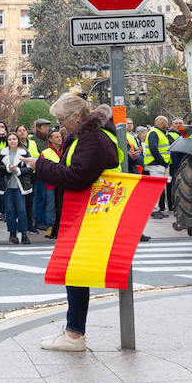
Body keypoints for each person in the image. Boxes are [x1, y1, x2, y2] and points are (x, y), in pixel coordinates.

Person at [31, 90, 121, 351]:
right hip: (86, 212)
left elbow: (77, 177)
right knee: (75, 272)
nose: (60, 125)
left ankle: (74, 335)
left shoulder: (92, 139)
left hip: (89, 214)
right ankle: (73, 331)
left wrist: (40, 166)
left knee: (76, 272)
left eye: (62, 119)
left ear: (78, 115)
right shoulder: (88, 136)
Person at [0, 132, 33, 244]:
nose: (12, 141)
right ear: (7, 141)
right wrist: (8, 168)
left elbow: (30, 168)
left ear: (18, 140)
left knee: (22, 210)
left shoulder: (25, 152)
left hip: (20, 186)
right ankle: (12, 233)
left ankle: (24, 234)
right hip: (7, 186)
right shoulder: (2, 153)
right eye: (10, 139)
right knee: (9, 210)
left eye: (14, 139)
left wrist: (18, 171)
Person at [145, 116, 172, 218]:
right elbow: (153, 148)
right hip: (156, 164)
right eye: (167, 123)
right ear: (162, 123)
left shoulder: (159, 133)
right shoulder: (154, 132)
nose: (168, 125)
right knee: (155, 189)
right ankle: (154, 210)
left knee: (159, 189)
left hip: (159, 165)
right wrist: (162, 161)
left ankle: (158, 210)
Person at [30, 119, 53, 230]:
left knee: (45, 198)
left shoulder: (48, 140)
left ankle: (43, 220)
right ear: (38, 128)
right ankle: (38, 220)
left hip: (48, 172)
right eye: (44, 127)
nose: (47, 129)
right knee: (39, 198)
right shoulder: (33, 140)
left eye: (47, 127)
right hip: (37, 173)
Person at [39, 130, 63, 237]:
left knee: (62, 205)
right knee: (50, 205)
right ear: (50, 139)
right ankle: (50, 227)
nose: (59, 138)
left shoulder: (65, 150)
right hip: (50, 184)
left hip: (64, 183)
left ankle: (61, 227)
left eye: (60, 136)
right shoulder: (45, 153)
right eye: (56, 137)